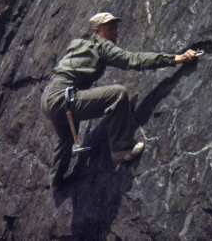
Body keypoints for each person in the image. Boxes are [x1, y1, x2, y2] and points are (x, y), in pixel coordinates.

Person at [41, 12, 196, 190]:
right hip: (63, 99)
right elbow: (133, 60)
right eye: (110, 29)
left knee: (67, 137)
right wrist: (175, 58)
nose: (115, 33)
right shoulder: (102, 46)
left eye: (116, 29)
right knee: (117, 94)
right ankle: (121, 150)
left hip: (49, 98)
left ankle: (55, 182)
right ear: (97, 31)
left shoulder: (76, 44)